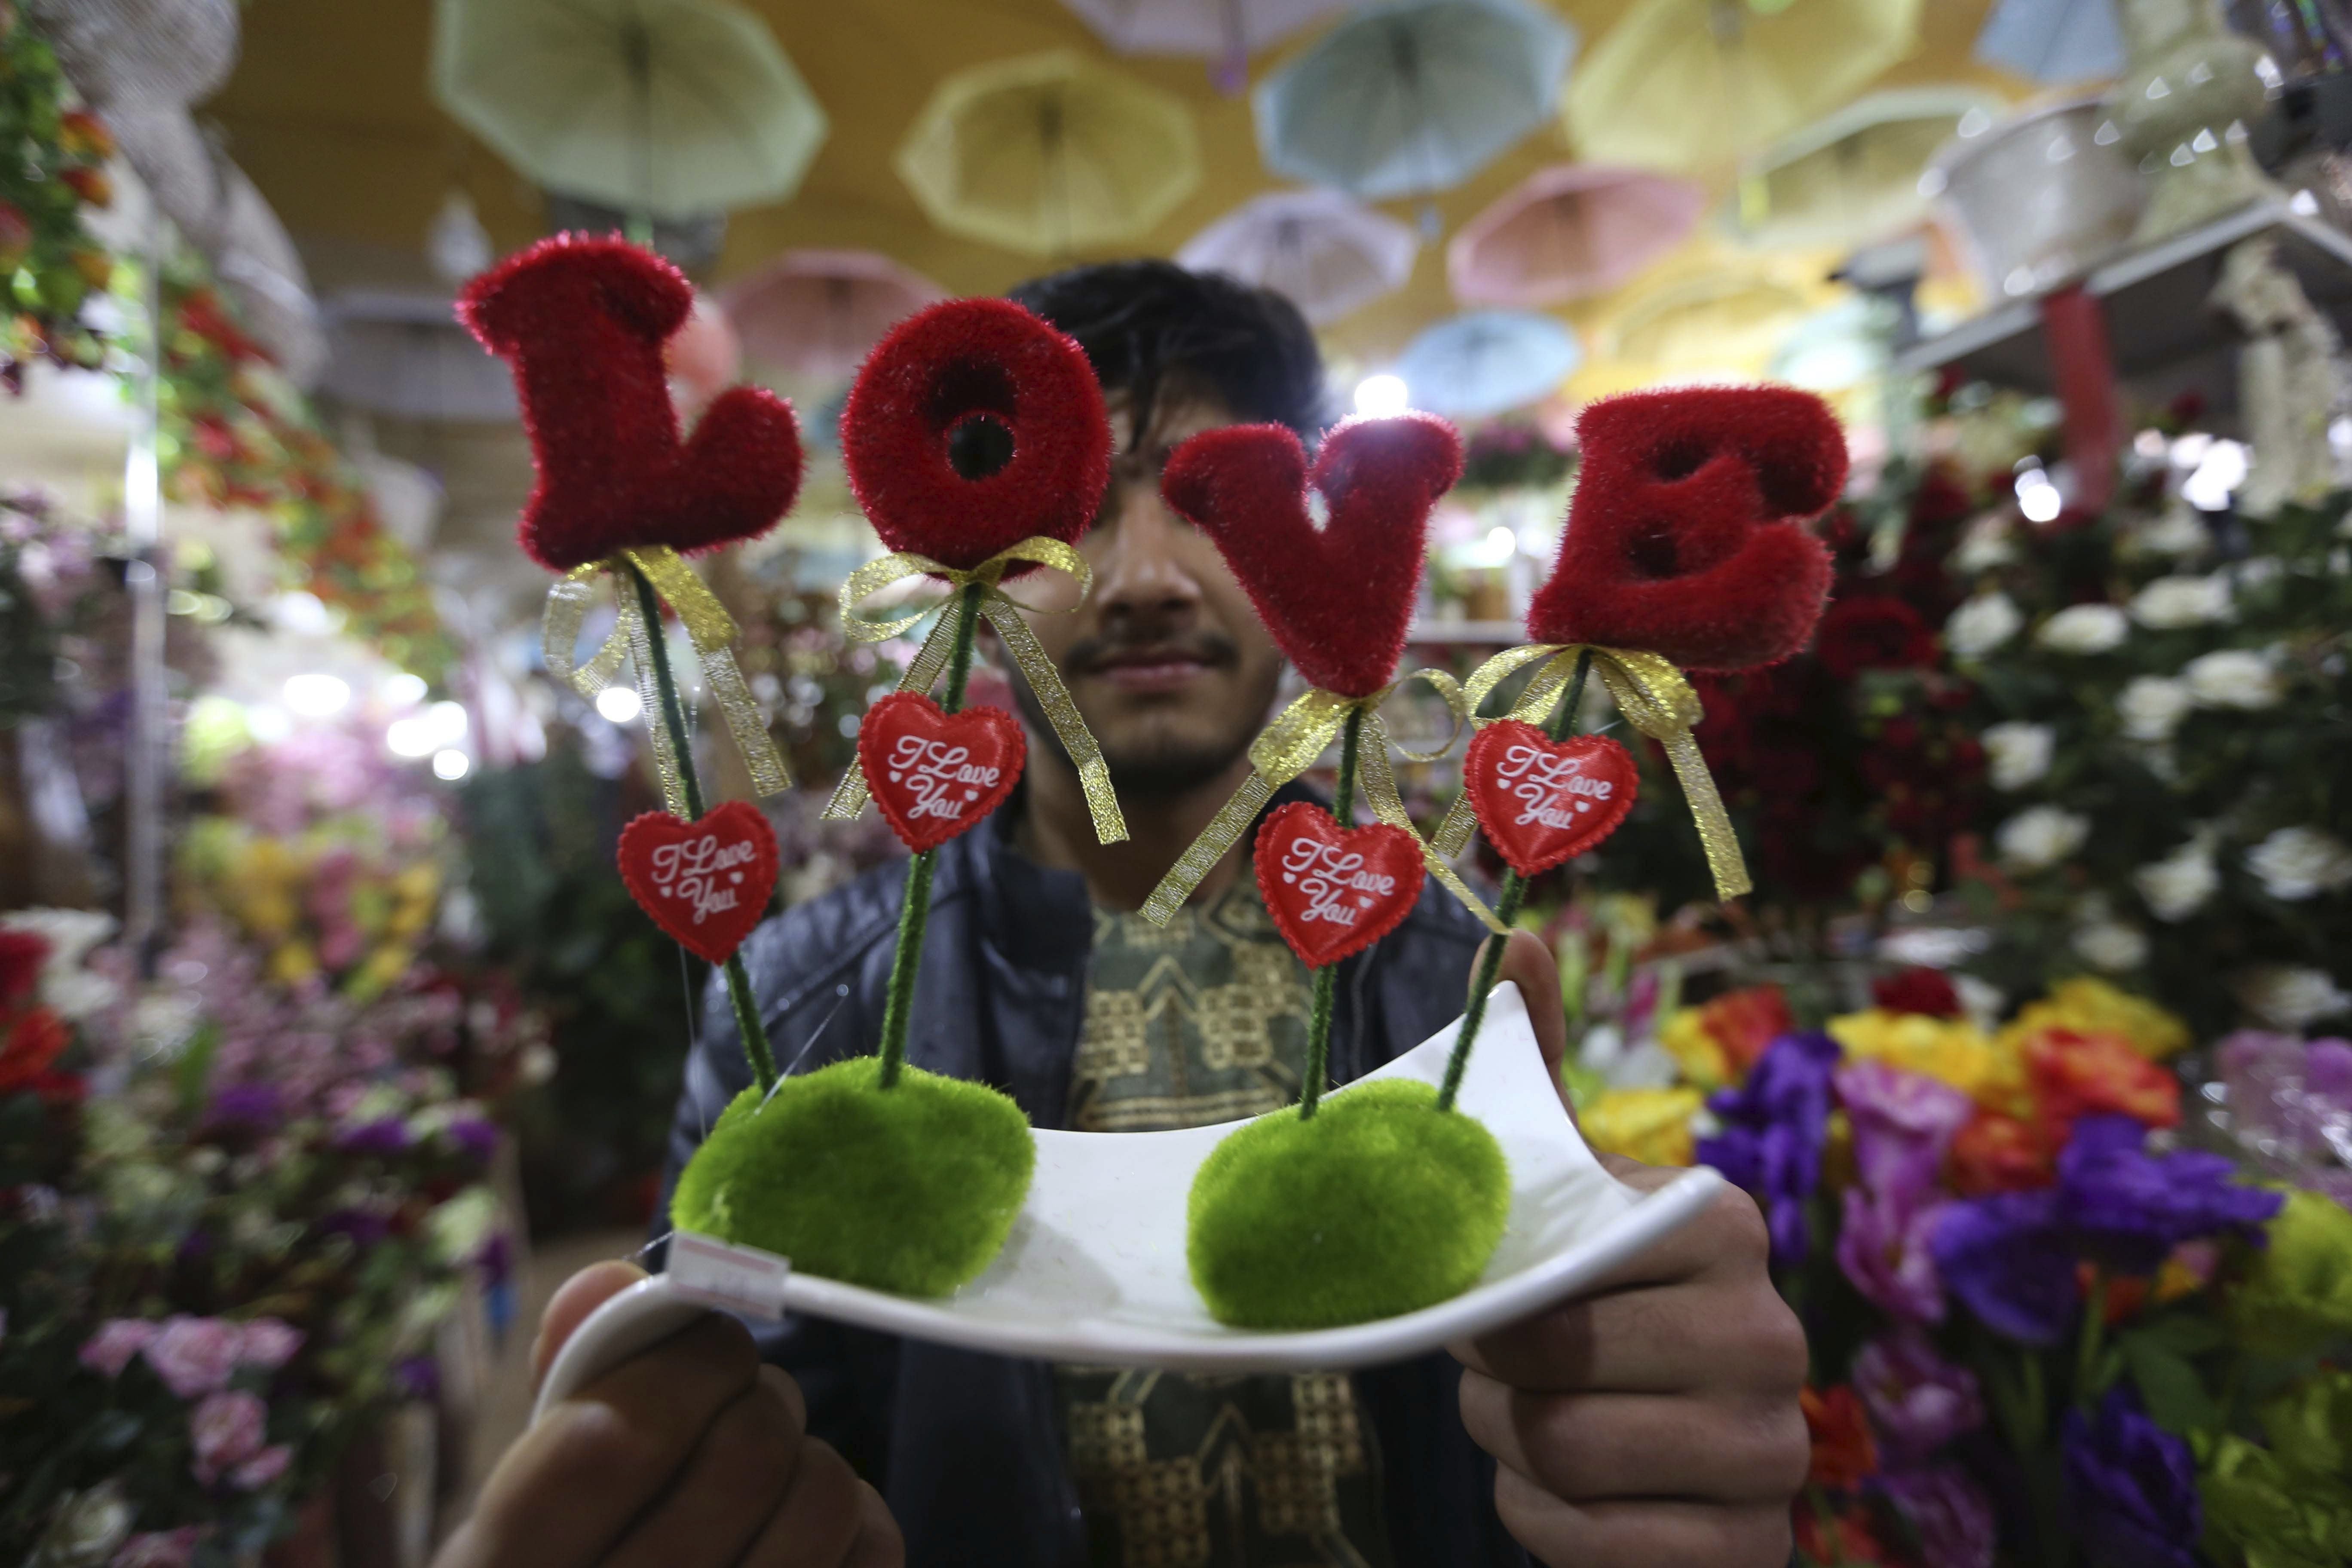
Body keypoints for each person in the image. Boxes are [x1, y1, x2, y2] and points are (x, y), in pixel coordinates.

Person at [437, 263, 1807, 1568]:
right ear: (958, 549)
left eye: (1216, 500)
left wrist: (1645, 1436)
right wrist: (675, 1464)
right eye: (1079, 503)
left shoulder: (1463, 977)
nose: (1148, 572)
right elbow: (754, 1376)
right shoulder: (804, 1015)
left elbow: (1546, 1392)